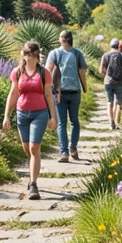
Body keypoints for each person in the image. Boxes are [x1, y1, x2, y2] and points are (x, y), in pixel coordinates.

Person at [3, 40, 57, 200]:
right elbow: (13, 94)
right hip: (22, 114)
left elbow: (48, 95)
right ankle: (33, 170)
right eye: (28, 55)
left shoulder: (44, 73)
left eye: (34, 55)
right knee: (27, 149)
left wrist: (52, 116)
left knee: (34, 148)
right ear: (23, 55)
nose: (31, 58)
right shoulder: (17, 72)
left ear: (38, 56)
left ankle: (33, 184)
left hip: (39, 113)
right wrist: (7, 115)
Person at [46, 30, 88, 163]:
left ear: (63, 39)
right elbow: (82, 72)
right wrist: (85, 87)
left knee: (62, 123)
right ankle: (73, 148)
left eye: (59, 36)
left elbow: (48, 71)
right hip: (75, 91)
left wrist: (46, 89)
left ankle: (64, 153)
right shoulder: (77, 53)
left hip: (59, 93)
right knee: (75, 122)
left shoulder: (54, 53)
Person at [99, 38, 122, 130]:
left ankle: (111, 123)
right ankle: (116, 123)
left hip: (108, 82)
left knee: (109, 102)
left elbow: (101, 71)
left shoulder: (105, 55)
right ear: (118, 46)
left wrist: (107, 74)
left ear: (110, 46)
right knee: (118, 103)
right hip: (120, 82)